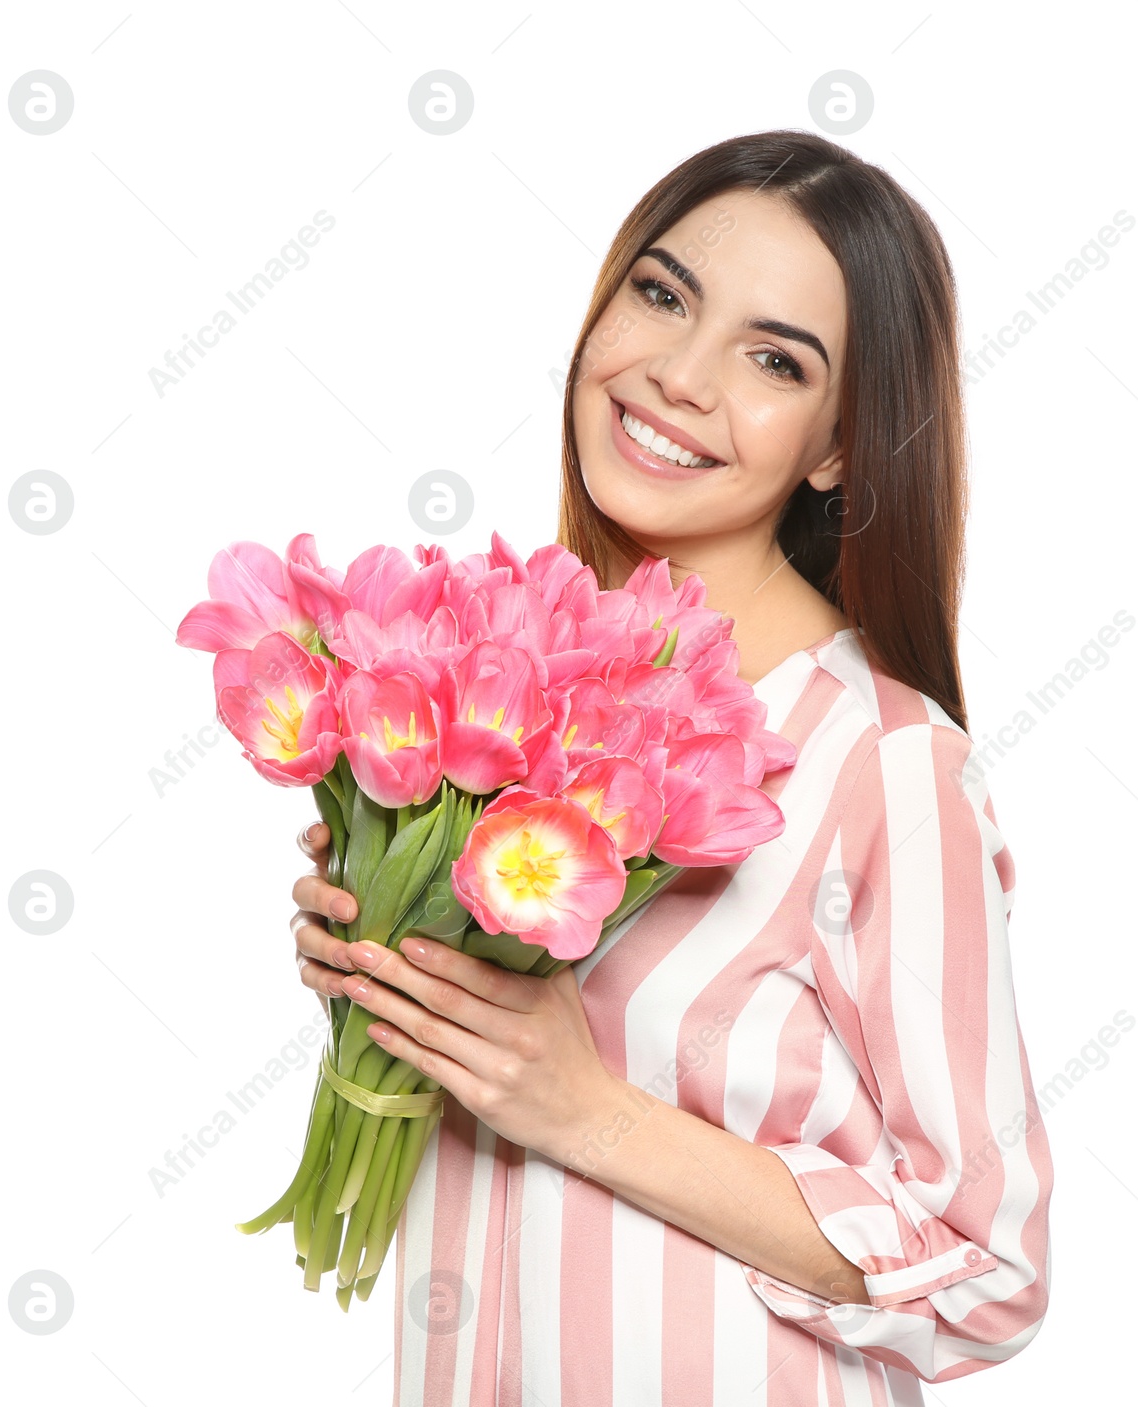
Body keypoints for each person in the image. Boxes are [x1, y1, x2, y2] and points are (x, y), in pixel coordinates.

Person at [289, 129, 1053, 1406]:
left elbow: (988, 1265)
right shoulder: (499, 692)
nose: (680, 375)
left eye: (772, 359)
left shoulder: (883, 763)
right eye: (661, 294)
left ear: (838, 448)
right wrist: (382, 979)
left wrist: (590, 1110)